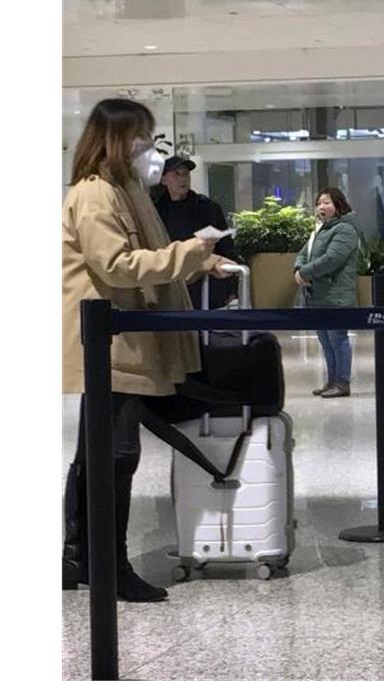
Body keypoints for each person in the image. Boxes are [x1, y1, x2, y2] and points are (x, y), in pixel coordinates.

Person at [62, 98, 230, 601]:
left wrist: (200, 262)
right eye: (141, 138)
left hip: (126, 343)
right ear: (116, 140)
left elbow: (147, 258)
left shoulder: (126, 190)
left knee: (101, 455)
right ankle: (105, 567)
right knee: (113, 455)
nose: (148, 149)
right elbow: (117, 265)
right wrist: (189, 255)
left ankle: (83, 558)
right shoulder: (95, 195)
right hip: (112, 345)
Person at [294, 188, 362, 398]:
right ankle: (331, 380)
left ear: (338, 205)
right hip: (317, 295)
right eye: (319, 203)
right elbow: (303, 253)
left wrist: (305, 272)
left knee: (337, 339)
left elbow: (332, 259)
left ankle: (342, 382)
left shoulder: (345, 230)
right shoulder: (320, 229)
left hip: (336, 295)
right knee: (325, 341)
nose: (322, 207)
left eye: (327, 203)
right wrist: (298, 269)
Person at [152, 155, 242, 309]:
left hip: (207, 286)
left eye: (186, 174)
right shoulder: (156, 211)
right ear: (164, 179)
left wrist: (231, 285)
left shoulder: (207, 208)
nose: (183, 179)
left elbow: (227, 248)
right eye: (176, 174)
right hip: (171, 285)